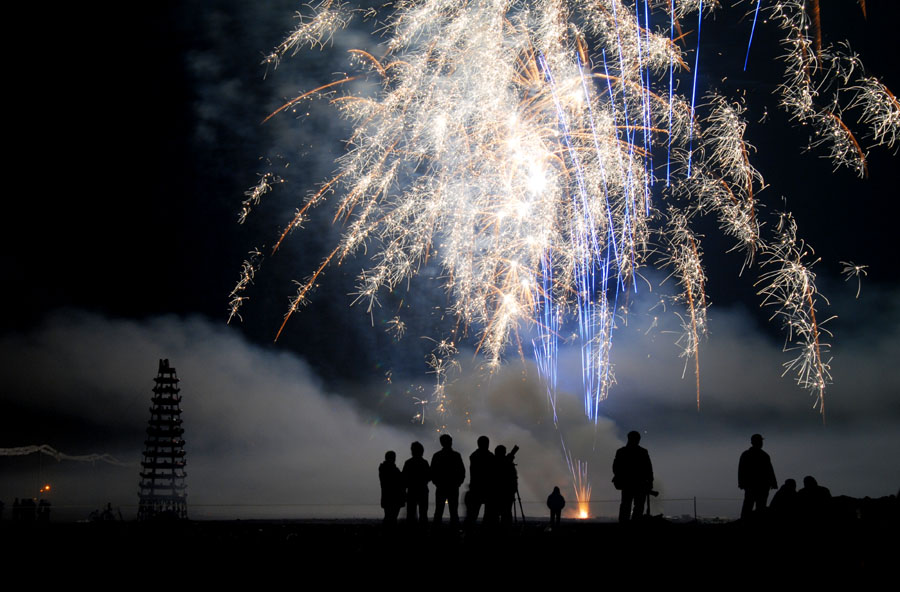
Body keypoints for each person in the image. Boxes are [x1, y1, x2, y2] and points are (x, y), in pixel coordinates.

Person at [612, 431, 653, 523]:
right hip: (638, 484)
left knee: (627, 505)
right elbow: (649, 469)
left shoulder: (621, 452)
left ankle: (625, 524)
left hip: (628, 484)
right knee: (637, 506)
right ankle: (634, 524)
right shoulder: (643, 452)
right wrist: (649, 482)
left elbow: (615, 468)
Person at [738, 433, 778, 520]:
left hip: (755, 486)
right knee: (756, 506)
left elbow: (741, 470)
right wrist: (773, 483)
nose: (761, 443)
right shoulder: (763, 455)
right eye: (760, 441)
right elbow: (769, 470)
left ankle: (745, 521)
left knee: (751, 506)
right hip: (759, 486)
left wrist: (742, 483)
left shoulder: (747, 454)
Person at [430, 434, 466, 526]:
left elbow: (433, 472)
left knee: (438, 511)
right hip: (453, 487)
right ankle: (455, 532)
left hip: (441, 487)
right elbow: (462, 471)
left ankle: (436, 531)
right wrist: (458, 483)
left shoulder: (437, 456)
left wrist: (437, 483)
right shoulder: (456, 455)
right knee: (454, 511)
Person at [465, 435, 494, 526]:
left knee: (473, 513)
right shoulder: (490, 456)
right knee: (488, 514)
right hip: (488, 488)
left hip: (476, 488)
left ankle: (470, 532)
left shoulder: (474, 456)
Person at [402, 441, 430, 526]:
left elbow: (404, 478)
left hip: (412, 490)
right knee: (423, 513)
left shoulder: (408, 463)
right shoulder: (424, 463)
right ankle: (423, 530)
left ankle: (411, 531)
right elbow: (429, 476)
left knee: (410, 514)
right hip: (423, 490)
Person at [379, 451, 404, 526]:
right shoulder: (392, 469)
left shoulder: (383, 468)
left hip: (387, 497)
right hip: (395, 497)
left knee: (388, 516)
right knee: (392, 517)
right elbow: (399, 480)